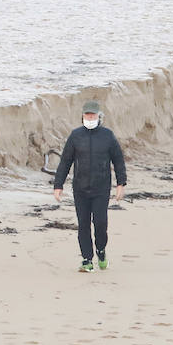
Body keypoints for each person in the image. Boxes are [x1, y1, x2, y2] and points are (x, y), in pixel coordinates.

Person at [52, 100, 127, 273]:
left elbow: (118, 160)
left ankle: (101, 250)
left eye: (93, 115)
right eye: (87, 115)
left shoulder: (107, 136)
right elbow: (65, 161)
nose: (90, 117)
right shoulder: (75, 136)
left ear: (98, 116)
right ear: (83, 116)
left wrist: (120, 183)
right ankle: (87, 260)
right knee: (83, 225)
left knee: (100, 223)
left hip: (101, 188)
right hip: (80, 188)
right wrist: (58, 185)